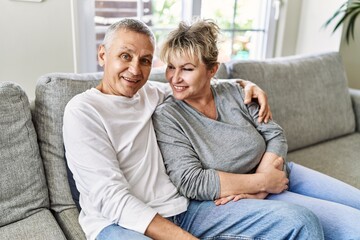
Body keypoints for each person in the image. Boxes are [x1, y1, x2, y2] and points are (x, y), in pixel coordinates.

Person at [63, 18, 323, 240]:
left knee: (300, 221)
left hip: (184, 210)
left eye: (145, 60)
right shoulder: (83, 112)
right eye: (125, 56)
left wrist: (245, 84)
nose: (134, 69)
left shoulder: (151, 93)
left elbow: (199, 83)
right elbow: (112, 199)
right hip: (117, 223)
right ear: (102, 55)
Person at [152, 18, 360, 240]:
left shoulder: (236, 92)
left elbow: (275, 134)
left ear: (212, 70)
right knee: (355, 227)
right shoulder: (168, 116)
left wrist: (265, 180)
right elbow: (192, 181)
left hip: (280, 173)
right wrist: (262, 184)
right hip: (244, 195)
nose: (175, 77)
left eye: (187, 69)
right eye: (171, 67)